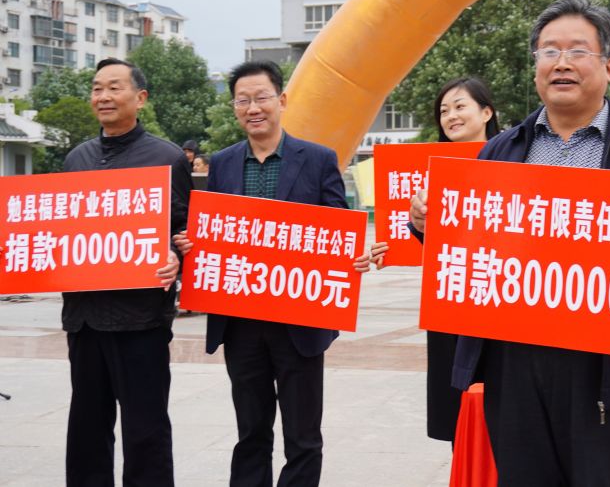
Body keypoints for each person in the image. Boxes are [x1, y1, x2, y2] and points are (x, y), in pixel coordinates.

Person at [410, 0, 610, 485]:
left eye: (578, 51)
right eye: (549, 51)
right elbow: (463, 245)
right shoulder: (500, 151)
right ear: (535, 65)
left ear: (608, 66)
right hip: (513, 362)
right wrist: (424, 223)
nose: (561, 63)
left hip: (607, 365)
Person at [173, 60, 376, 487]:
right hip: (240, 323)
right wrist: (192, 247)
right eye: (242, 100)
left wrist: (353, 254)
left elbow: (338, 228)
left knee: (303, 436)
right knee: (251, 432)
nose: (253, 108)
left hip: (299, 322)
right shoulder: (223, 164)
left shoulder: (318, 159)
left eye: (261, 97)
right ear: (234, 108)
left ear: (281, 100)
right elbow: (210, 232)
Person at [62, 58, 191, 487]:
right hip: (83, 319)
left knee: (145, 429)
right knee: (86, 427)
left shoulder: (167, 158)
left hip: (141, 320)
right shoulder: (76, 159)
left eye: (114, 88)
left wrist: (177, 259)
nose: (103, 96)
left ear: (140, 98)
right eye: (97, 88)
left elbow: (187, 233)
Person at [401, 77, 501, 444]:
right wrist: (418, 225)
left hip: (499, 299)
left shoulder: (514, 160)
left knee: (500, 409)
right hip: (451, 299)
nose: (451, 117)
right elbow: (431, 239)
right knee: (458, 415)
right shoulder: (435, 171)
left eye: (460, 107)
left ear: (486, 112)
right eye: (444, 111)